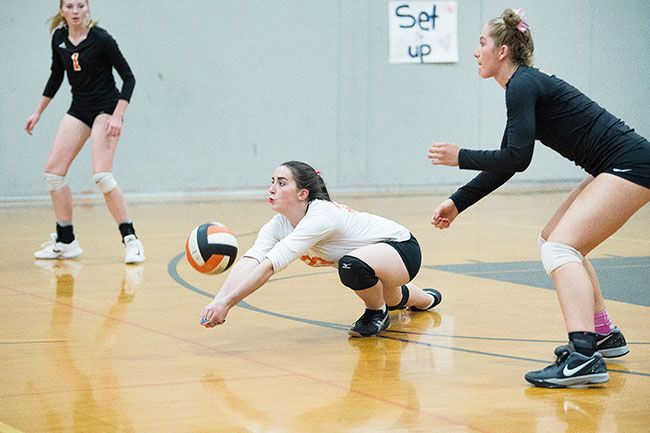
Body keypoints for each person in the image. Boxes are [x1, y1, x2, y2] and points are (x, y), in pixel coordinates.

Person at [427, 8, 650, 388]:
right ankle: (603, 335)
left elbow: (518, 158)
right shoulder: (522, 86)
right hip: (616, 164)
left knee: (561, 250)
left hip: (627, 164)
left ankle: (583, 356)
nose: (475, 52)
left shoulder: (522, 85)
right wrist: (458, 201)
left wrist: (460, 156)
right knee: (553, 241)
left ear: (502, 52)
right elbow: (507, 163)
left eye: (482, 43)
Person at [200, 161, 442, 337]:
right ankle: (427, 300)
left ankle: (375, 312)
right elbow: (251, 260)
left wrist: (228, 304)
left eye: (281, 183)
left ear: (302, 193)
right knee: (394, 297)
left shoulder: (320, 217)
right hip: (377, 262)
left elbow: (269, 266)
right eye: (272, 182)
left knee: (351, 266)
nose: (272, 188)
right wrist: (217, 301)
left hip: (401, 248)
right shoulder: (278, 225)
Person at [25, 0, 144, 264]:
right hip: (79, 108)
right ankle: (66, 241)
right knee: (53, 174)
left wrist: (117, 115)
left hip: (106, 109)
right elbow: (56, 76)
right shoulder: (59, 38)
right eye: (70, 6)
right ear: (62, 10)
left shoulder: (101, 39)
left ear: (88, 8)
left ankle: (131, 239)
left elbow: (129, 78)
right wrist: (38, 112)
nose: (76, 11)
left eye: (81, 5)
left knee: (102, 176)